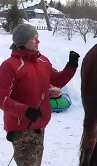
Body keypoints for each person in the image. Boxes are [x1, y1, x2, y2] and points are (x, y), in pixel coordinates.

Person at [0, 23, 80, 166]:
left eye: (37, 37)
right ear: (22, 42)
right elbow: (1, 97)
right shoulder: (10, 65)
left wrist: (71, 66)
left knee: (36, 162)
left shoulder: (42, 60)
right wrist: (25, 111)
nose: (38, 41)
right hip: (21, 128)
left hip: (39, 124)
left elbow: (57, 80)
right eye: (33, 38)